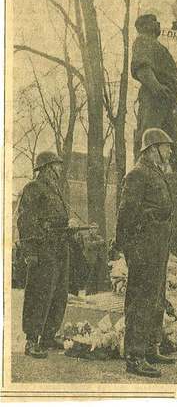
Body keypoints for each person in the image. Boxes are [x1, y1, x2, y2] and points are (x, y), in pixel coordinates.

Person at [115, 128, 175, 378]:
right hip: (144, 248)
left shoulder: (155, 173)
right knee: (140, 301)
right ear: (153, 149)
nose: (170, 151)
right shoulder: (138, 174)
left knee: (156, 297)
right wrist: (128, 248)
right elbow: (125, 214)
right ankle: (135, 357)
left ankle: (151, 347)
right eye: (166, 147)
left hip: (157, 247)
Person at [17, 151, 70, 358]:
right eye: (56, 166)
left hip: (59, 247)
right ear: (47, 168)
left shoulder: (55, 189)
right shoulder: (33, 188)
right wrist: (30, 252)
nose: (59, 170)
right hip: (43, 249)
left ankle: (48, 335)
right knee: (39, 293)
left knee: (59, 293)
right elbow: (25, 221)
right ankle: (31, 340)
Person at [131, 13, 177, 171]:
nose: (158, 24)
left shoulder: (155, 45)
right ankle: (143, 173)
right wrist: (157, 88)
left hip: (166, 101)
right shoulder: (143, 40)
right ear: (144, 26)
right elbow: (142, 69)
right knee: (150, 137)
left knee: (175, 143)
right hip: (154, 98)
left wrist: (174, 104)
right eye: (154, 21)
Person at [84, 223, 107, 295]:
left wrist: (95, 243)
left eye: (95, 228)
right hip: (90, 259)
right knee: (90, 275)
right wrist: (98, 243)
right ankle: (88, 291)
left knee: (96, 274)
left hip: (98, 259)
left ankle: (95, 291)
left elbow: (104, 244)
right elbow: (89, 246)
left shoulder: (99, 237)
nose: (94, 230)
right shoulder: (86, 237)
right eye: (92, 228)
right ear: (90, 230)